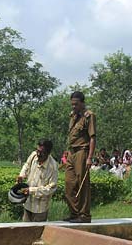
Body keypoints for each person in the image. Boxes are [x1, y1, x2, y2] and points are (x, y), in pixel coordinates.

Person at [64, 91, 96, 223]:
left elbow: (92, 138)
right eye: (72, 104)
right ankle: (74, 213)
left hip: (82, 152)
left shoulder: (89, 116)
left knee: (82, 183)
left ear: (82, 103)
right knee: (69, 184)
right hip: (71, 152)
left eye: (76, 104)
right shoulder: (73, 116)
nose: (73, 107)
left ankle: (84, 215)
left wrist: (89, 157)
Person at [16, 139, 58, 222]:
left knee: (37, 233)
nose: (38, 154)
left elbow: (51, 188)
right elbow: (27, 165)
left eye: (41, 152)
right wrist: (21, 175)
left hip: (40, 208)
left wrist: (31, 190)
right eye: (37, 150)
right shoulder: (33, 155)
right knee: (25, 230)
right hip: (28, 203)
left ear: (48, 153)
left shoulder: (53, 167)